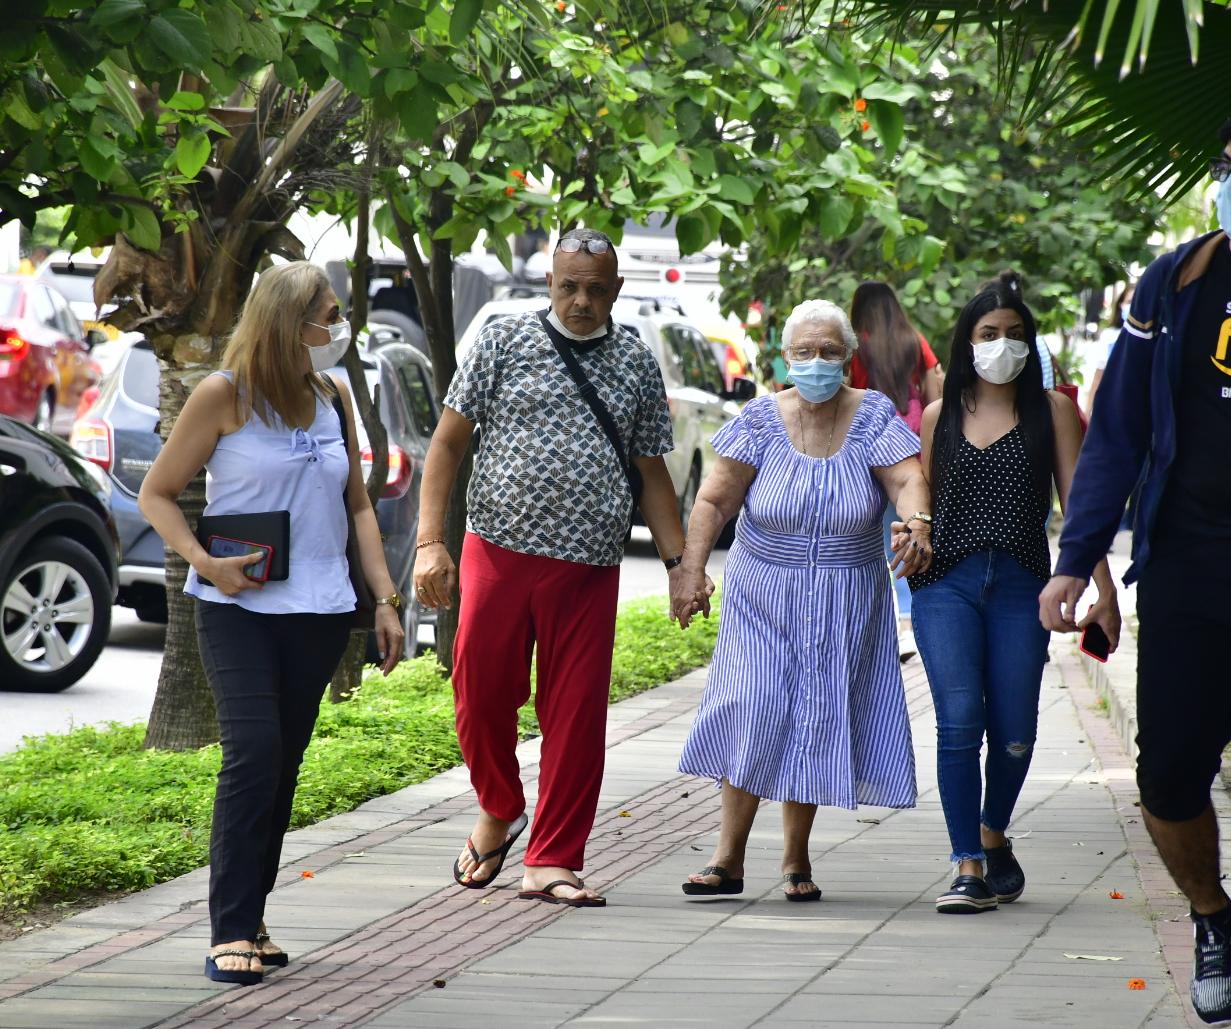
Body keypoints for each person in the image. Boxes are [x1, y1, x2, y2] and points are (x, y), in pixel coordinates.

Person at [414, 228, 703, 909]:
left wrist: (679, 565)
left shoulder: (633, 361)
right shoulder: (502, 342)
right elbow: (446, 445)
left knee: (574, 718)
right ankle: (499, 804)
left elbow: (653, 474)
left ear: (616, 290)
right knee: (480, 694)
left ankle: (552, 859)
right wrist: (431, 542)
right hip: (498, 551)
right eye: (569, 286)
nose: (581, 301)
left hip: (588, 568)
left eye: (596, 290)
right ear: (548, 281)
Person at [139, 262, 405, 985]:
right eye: (327, 313)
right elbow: (157, 493)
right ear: (288, 322)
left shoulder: (333, 396)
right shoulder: (223, 396)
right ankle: (229, 926)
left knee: (282, 766)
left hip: (316, 609)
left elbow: (357, 504)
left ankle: (253, 915)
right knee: (252, 752)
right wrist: (203, 559)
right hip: (235, 605)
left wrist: (383, 597)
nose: (337, 326)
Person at [1040, 120, 1231, 1023]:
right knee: (1167, 779)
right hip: (1190, 564)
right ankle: (1212, 919)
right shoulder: (1176, 282)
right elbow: (1115, 432)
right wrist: (1077, 561)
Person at [672, 299, 933, 902]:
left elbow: (906, 479)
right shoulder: (760, 419)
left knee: (818, 714)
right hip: (763, 593)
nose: (816, 362)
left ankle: (795, 860)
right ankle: (727, 857)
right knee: (756, 708)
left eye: (829, 351)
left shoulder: (872, 416)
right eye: (804, 352)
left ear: (848, 358)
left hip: (845, 595)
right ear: (785, 358)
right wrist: (691, 568)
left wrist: (916, 520)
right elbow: (713, 501)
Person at [911, 272, 1120, 915]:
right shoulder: (940, 415)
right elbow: (919, 498)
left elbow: (1079, 505)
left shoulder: (1052, 410)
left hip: (1023, 587)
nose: (1001, 344)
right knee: (957, 722)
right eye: (987, 334)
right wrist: (909, 529)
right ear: (966, 342)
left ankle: (992, 832)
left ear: (1031, 343)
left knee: (1014, 729)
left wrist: (1102, 591)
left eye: (1013, 334)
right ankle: (967, 866)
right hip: (946, 585)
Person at [848, 281, 943, 643]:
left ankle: (881, 620)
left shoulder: (858, 346)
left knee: (876, 529)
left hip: (872, 442)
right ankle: (906, 618)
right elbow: (935, 397)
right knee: (906, 528)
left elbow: (853, 396)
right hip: (914, 442)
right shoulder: (914, 340)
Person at [1084, 285, 1135, 417]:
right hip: (1111, 408)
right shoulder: (1109, 336)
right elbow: (1098, 376)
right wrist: (1087, 411)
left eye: (1136, 301)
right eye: (1129, 302)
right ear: (1120, 304)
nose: (1132, 306)